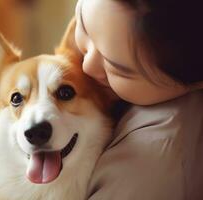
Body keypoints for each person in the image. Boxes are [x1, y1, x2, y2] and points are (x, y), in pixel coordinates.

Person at [74, 0, 203, 199]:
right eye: (83, 24)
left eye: (115, 68)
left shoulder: (149, 168)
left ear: (195, 82)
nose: (87, 66)